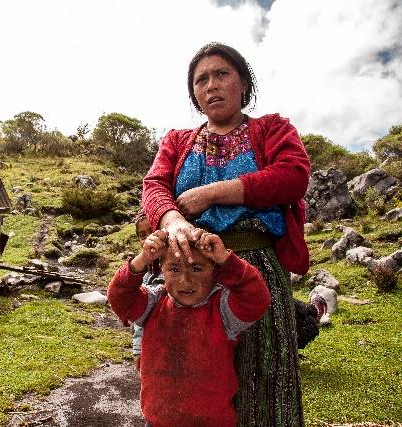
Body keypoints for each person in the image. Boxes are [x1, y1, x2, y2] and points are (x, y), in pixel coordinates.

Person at [142, 42, 310, 426]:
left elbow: (293, 176)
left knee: (264, 375)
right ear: (194, 94)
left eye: (222, 74)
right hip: (191, 274)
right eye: (201, 80)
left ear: (243, 82)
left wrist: (210, 194)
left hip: (255, 272)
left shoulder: (272, 129)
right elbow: (154, 186)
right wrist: (174, 222)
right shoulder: (177, 141)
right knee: (192, 381)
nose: (211, 85)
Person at [108, 227, 270, 427]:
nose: (186, 281)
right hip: (157, 421)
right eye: (174, 269)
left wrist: (226, 259)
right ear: (161, 270)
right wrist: (141, 259)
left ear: (214, 270)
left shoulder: (221, 309)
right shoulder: (153, 303)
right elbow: (119, 296)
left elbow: (257, 298)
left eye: (196, 268)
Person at [131, 211, 164, 372]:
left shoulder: (176, 269)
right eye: (142, 235)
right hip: (151, 346)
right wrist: (138, 349)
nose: (148, 238)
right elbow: (140, 320)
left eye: (152, 231)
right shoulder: (146, 273)